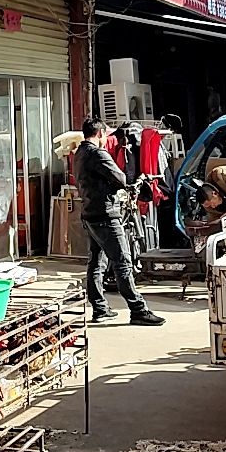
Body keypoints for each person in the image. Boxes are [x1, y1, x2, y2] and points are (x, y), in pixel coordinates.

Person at [73, 117, 165, 327]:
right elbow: (120, 178)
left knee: (97, 262)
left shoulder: (79, 153)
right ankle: (138, 310)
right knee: (122, 263)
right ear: (100, 134)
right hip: (106, 215)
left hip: (90, 213)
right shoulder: (98, 153)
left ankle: (100, 308)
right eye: (106, 135)